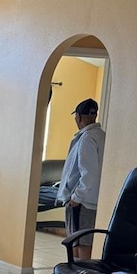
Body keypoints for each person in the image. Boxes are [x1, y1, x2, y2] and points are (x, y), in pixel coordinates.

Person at [56, 97, 106, 260]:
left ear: (78, 116)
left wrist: (76, 197)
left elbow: (89, 173)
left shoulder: (86, 139)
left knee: (80, 240)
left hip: (82, 201)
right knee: (82, 239)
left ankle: (79, 273)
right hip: (91, 198)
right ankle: (74, 270)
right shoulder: (101, 135)